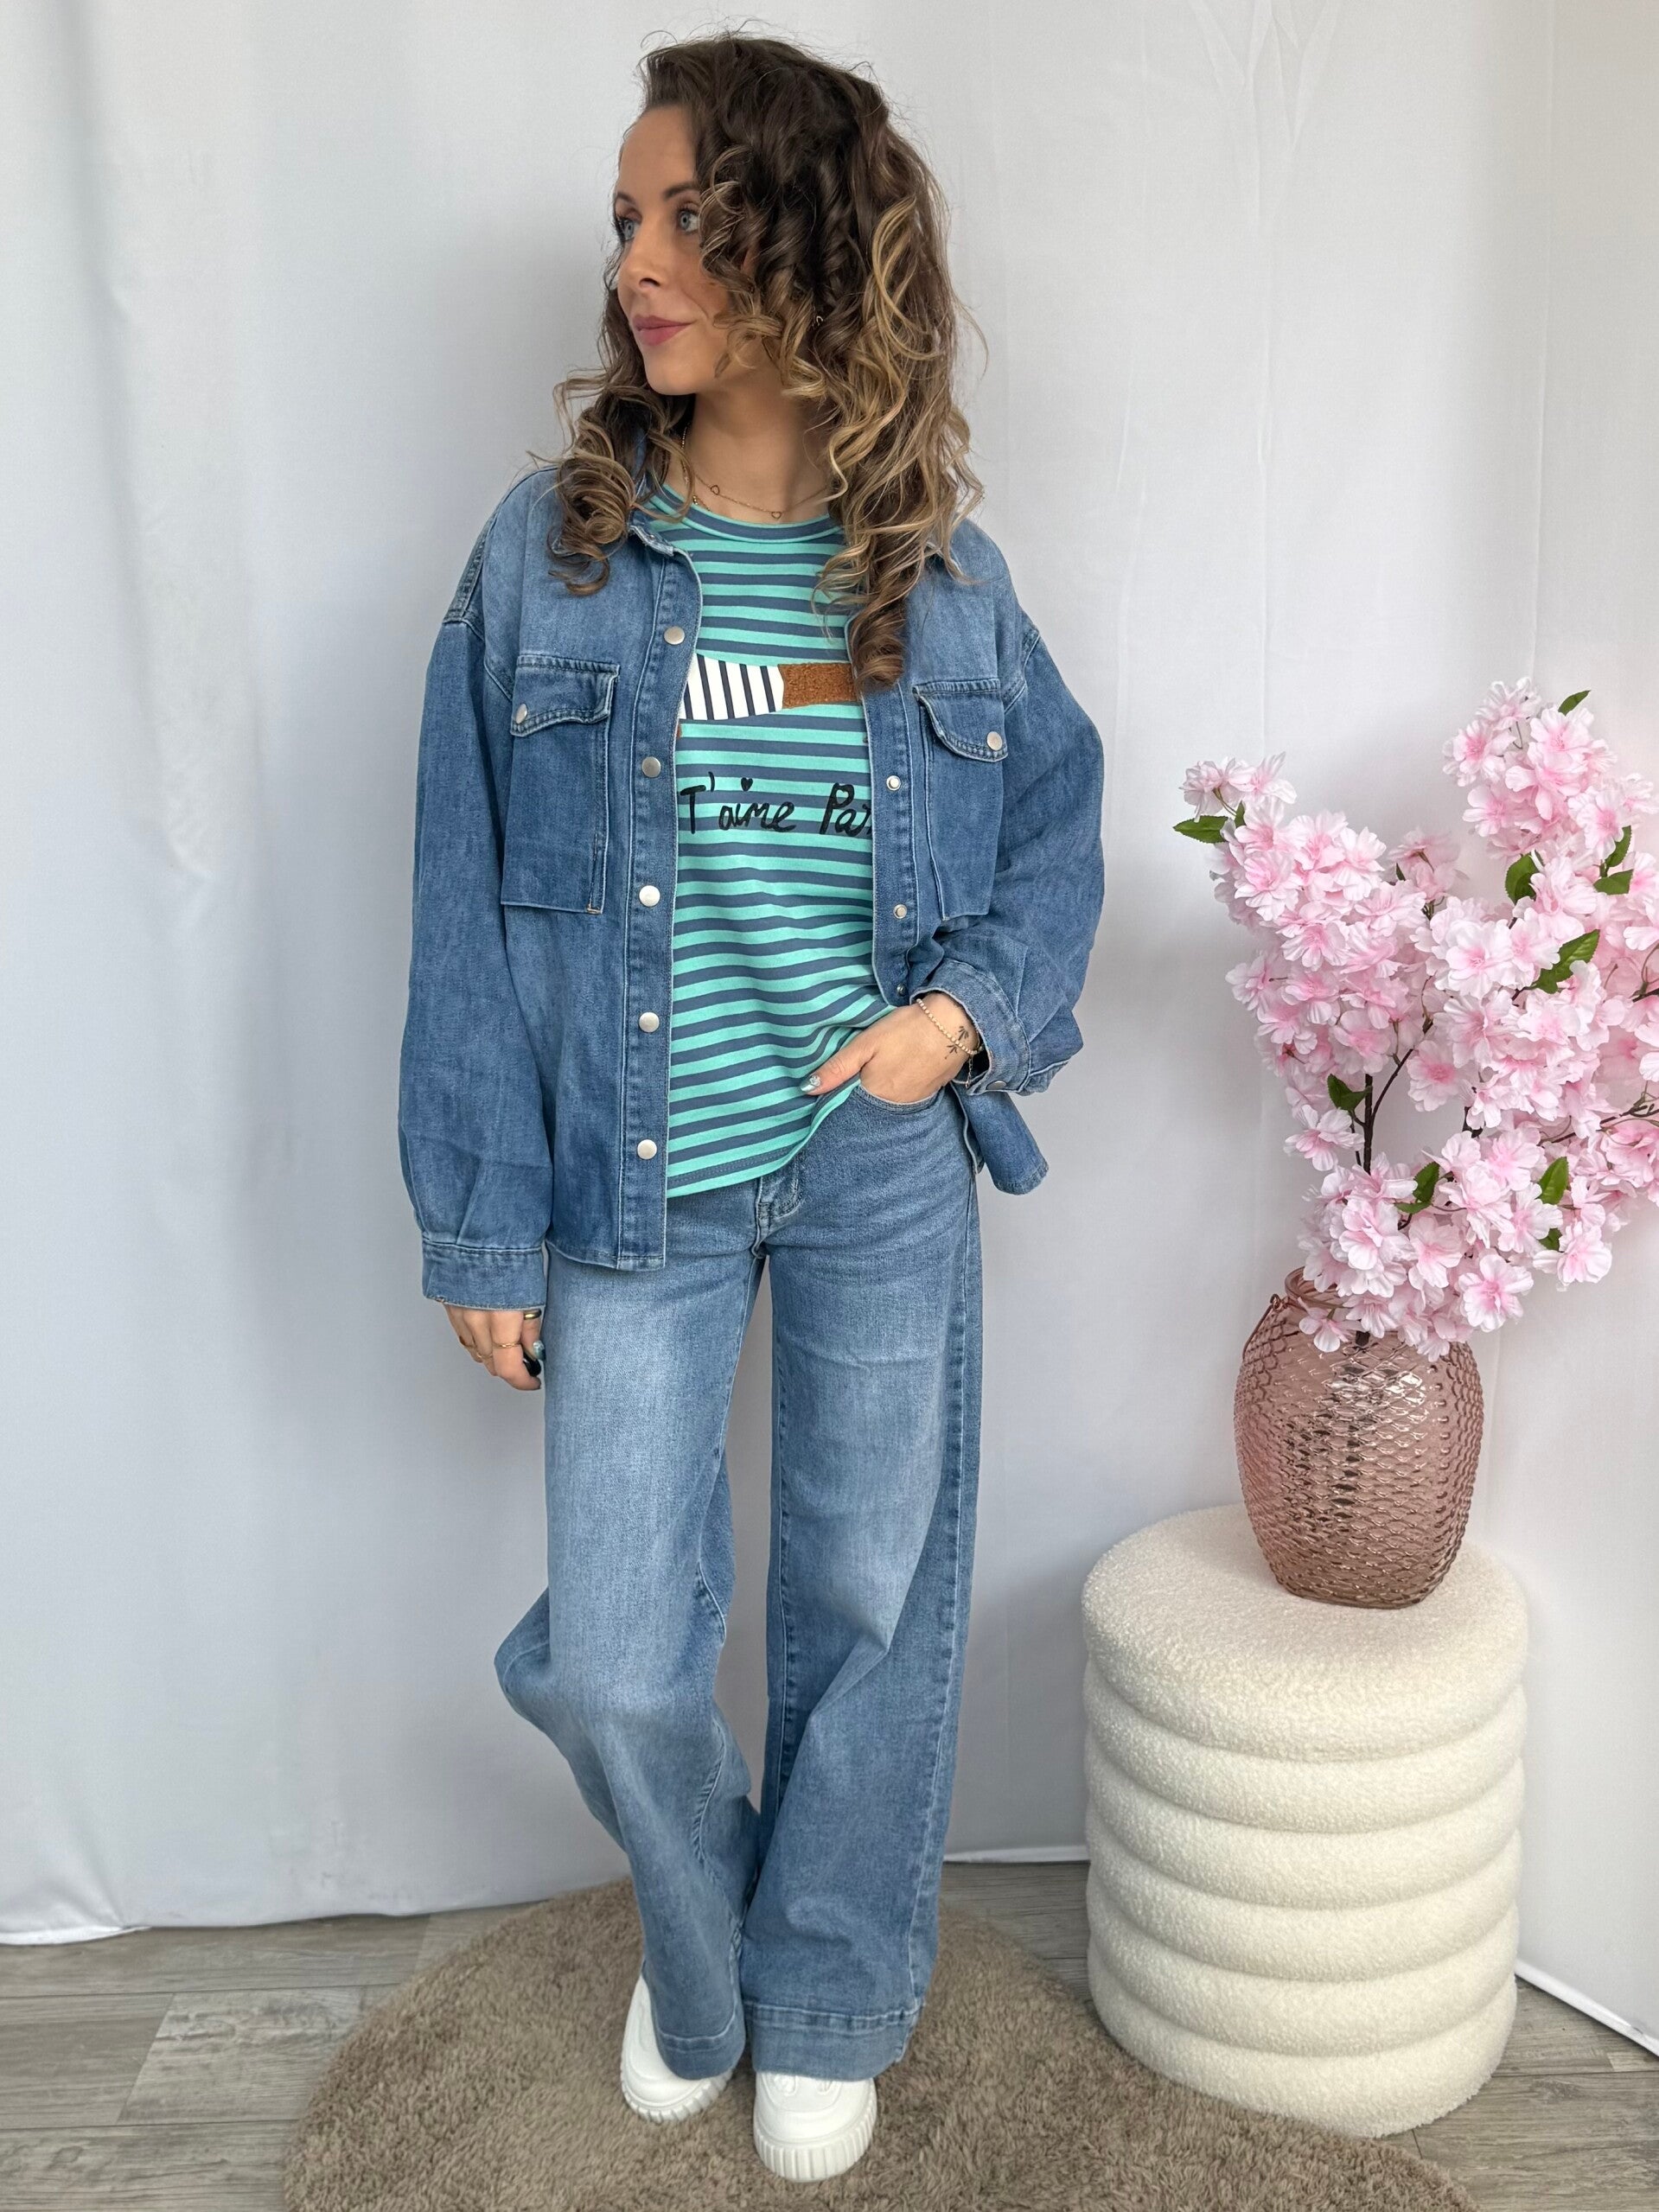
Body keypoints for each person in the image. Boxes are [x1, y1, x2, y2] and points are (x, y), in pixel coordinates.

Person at [397, 31, 1105, 2185]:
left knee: (866, 1601)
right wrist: (478, 1214)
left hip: (874, 1157)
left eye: (684, 216)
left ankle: (830, 1991)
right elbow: (457, 890)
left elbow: (1056, 838)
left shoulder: (944, 579)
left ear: (808, 241)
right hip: (638, 1171)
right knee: (622, 1661)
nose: (636, 261)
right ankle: (708, 1949)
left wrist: (956, 1023)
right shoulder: (552, 557)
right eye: (625, 218)